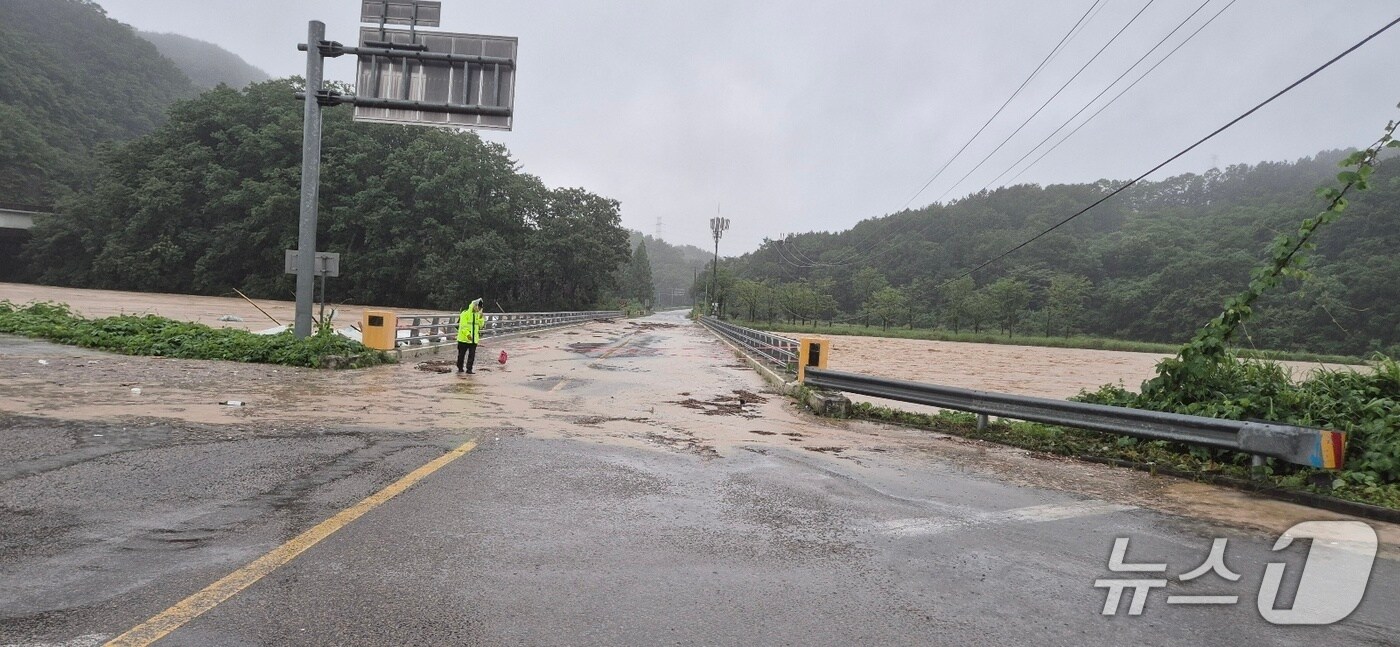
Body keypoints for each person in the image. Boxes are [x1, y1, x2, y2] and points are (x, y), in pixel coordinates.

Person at [456, 298, 485, 374]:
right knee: (461, 355)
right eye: (478, 307)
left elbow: (481, 326)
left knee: (472, 355)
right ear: (474, 305)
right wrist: (467, 334)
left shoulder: (478, 315)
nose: (478, 309)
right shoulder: (464, 313)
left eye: (480, 308)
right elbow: (463, 326)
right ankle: (460, 368)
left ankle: (469, 369)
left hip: (473, 339)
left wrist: (481, 319)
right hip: (464, 339)